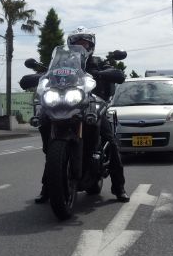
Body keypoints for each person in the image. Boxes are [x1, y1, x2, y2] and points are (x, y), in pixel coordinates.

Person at [35, 28, 129, 203]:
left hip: (93, 102)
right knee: (44, 120)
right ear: (71, 45)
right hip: (67, 102)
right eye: (77, 43)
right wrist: (40, 76)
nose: (82, 46)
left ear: (91, 45)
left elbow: (116, 74)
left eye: (85, 43)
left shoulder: (99, 62)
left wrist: (106, 73)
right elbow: (50, 75)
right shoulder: (64, 63)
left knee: (110, 141)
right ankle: (48, 186)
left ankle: (119, 187)